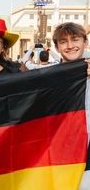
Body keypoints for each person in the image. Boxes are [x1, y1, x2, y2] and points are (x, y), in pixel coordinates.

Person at [51, 22, 90, 190]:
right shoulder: (47, 78)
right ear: (57, 47)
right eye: (63, 41)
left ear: (85, 42)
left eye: (75, 39)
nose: (70, 46)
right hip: (58, 160)